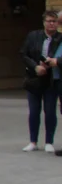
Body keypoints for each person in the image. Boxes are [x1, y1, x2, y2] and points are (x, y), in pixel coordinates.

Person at [22, 10, 62, 152]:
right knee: (34, 111)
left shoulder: (60, 38)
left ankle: (49, 142)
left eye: (54, 21)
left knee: (50, 111)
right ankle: (33, 141)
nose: (52, 24)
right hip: (34, 78)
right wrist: (35, 67)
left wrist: (53, 63)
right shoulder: (33, 36)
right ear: (44, 22)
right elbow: (24, 54)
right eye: (49, 21)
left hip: (52, 79)